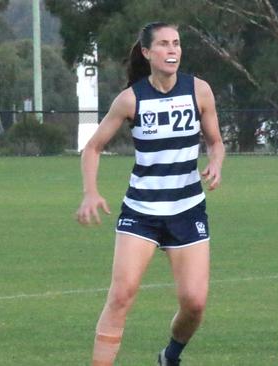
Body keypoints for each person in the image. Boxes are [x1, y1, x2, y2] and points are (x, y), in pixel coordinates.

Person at [75, 22, 224, 366]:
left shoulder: (198, 91)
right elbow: (93, 148)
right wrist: (90, 192)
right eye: (164, 44)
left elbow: (215, 142)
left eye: (176, 44)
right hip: (141, 212)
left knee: (195, 303)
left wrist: (216, 163)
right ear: (147, 52)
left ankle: (170, 356)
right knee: (121, 296)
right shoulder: (131, 99)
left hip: (188, 211)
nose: (172, 50)